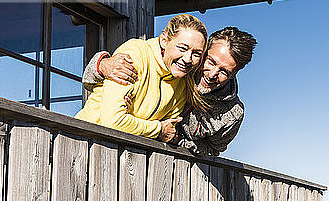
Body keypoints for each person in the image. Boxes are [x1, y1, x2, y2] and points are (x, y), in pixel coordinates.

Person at [82, 27, 256, 155]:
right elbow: (89, 82)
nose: (212, 74)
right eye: (210, 61)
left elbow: (213, 150)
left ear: (235, 73)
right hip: (103, 145)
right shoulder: (178, 67)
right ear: (203, 52)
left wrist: (176, 138)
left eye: (224, 71)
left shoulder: (233, 114)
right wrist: (103, 64)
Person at [76, 14, 208, 143]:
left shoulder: (182, 84)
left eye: (196, 54)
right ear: (164, 41)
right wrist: (158, 129)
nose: (188, 59)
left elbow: (170, 131)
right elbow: (113, 121)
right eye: (182, 48)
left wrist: (133, 120)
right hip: (82, 141)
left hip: (122, 154)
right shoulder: (136, 53)